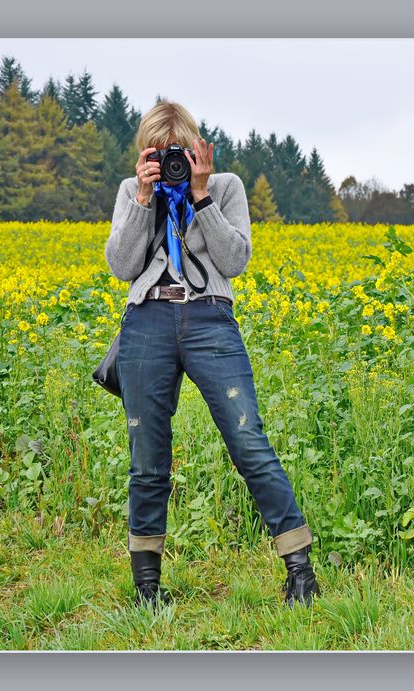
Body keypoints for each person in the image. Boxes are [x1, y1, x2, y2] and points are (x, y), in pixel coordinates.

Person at [103, 101, 320, 608]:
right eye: (157, 153)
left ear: (196, 148)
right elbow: (121, 265)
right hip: (148, 321)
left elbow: (235, 259)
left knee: (248, 441)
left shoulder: (226, 188)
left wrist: (201, 197)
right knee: (147, 457)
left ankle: (300, 571)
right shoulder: (132, 192)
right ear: (144, 154)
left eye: (176, 151)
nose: (169, 160)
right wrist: (142, 197)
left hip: (209, 320)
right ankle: (147, 589)